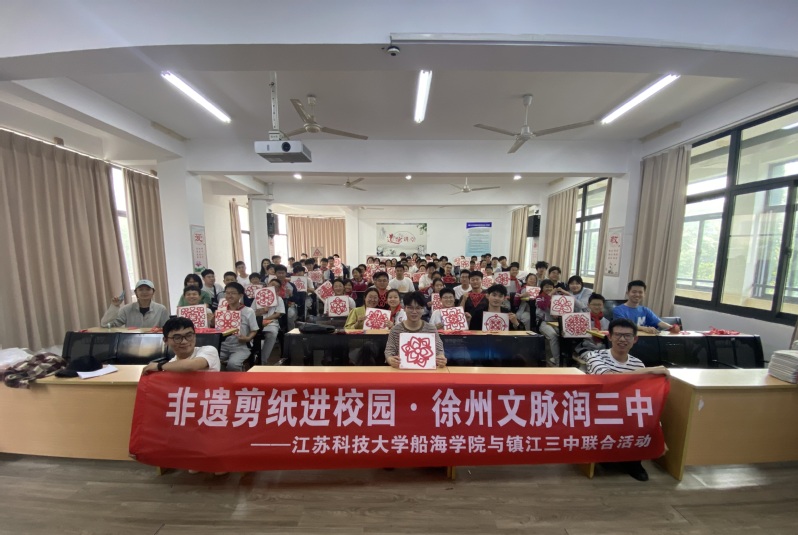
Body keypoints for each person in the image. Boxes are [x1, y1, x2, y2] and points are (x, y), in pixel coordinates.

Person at [585, 318, 670, 481]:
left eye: (627, 336)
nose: (622, 339)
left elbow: (646, 398)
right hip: (599, 407)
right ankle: (608, 456)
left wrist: (658, 434)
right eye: (618, 335)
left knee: (642, 413)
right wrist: (649, 371)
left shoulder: (638, 364)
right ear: (609, 337)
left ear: (635, 339)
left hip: (625, 409)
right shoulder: (595, 356)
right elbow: (609, 378)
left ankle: (633, 462)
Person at [385, 291, 447, 369]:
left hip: (426, 371)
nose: (414, 312)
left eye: (418, 308)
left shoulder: (431, 329)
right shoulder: (395, 330)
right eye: (410, 308)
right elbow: (389, 352)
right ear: (404, 308)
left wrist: (441, 359)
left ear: (423, 309)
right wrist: (391, 360)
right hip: (402, 371)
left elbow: (439, 351)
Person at [142, 317, 220, 374]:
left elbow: (190, 366)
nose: (184, 341)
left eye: (189, 335)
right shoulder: (171, 364)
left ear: (195, 336)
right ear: (166, 340)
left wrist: (159, 366)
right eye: (177, 337)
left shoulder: (209, 350)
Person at [219, 282, 259, 371]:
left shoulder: (248, 311)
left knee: (233, 364)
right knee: (211, 362)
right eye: (227, 293)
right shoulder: (221, 310)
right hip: (223, 346)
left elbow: (254, 330)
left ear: (240, 295)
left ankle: (239, 379)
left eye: (233, 293)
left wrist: (247, 338)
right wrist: (213, 320)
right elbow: (216, 329)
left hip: (241, 346)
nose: (229, 296)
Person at [101, 279, 169, 328]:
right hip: (131, 342)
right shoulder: (126, 309)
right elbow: (105, 325)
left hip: (154, 342)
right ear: (136, 292)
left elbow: (167, 329)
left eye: (148, 289)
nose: (144, 292)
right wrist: (115, 306)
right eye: (141, 289)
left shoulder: (161, 309)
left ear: (153, 292)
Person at [535, 279, 562, 366]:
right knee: (553, 335)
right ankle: (558, 362)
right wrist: (550, 295)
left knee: (564, 334)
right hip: (543, 322)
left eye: (550, 287)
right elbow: (543, 306)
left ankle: (559, 357)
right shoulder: (539, 297)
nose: (549, 288)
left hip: (556, 322)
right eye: (546, 287)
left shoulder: (558, 297)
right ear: (542, 288)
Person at [259, 279, 285, 363]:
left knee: (272, 334)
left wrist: (265, 319)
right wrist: (263, 310)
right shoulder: (259, 296)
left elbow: (277, 314)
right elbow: (252, 312)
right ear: (267, 285)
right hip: (257, 322)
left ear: (278, 289)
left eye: (276, 286)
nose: (273, 287)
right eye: (272, 284)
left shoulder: (279, 299)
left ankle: (263, 360)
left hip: (271, 323)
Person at [273, 264, 298, 331]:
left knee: (290, 314)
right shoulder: (271, 284)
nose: (281, 275)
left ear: (286, 273)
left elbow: (297, 299)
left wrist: (291, 295)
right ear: (275, 273)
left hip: (289, 305)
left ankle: (291, 332)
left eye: (283, 273)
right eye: (279, 273)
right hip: (274, 306)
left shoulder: (291, 285)